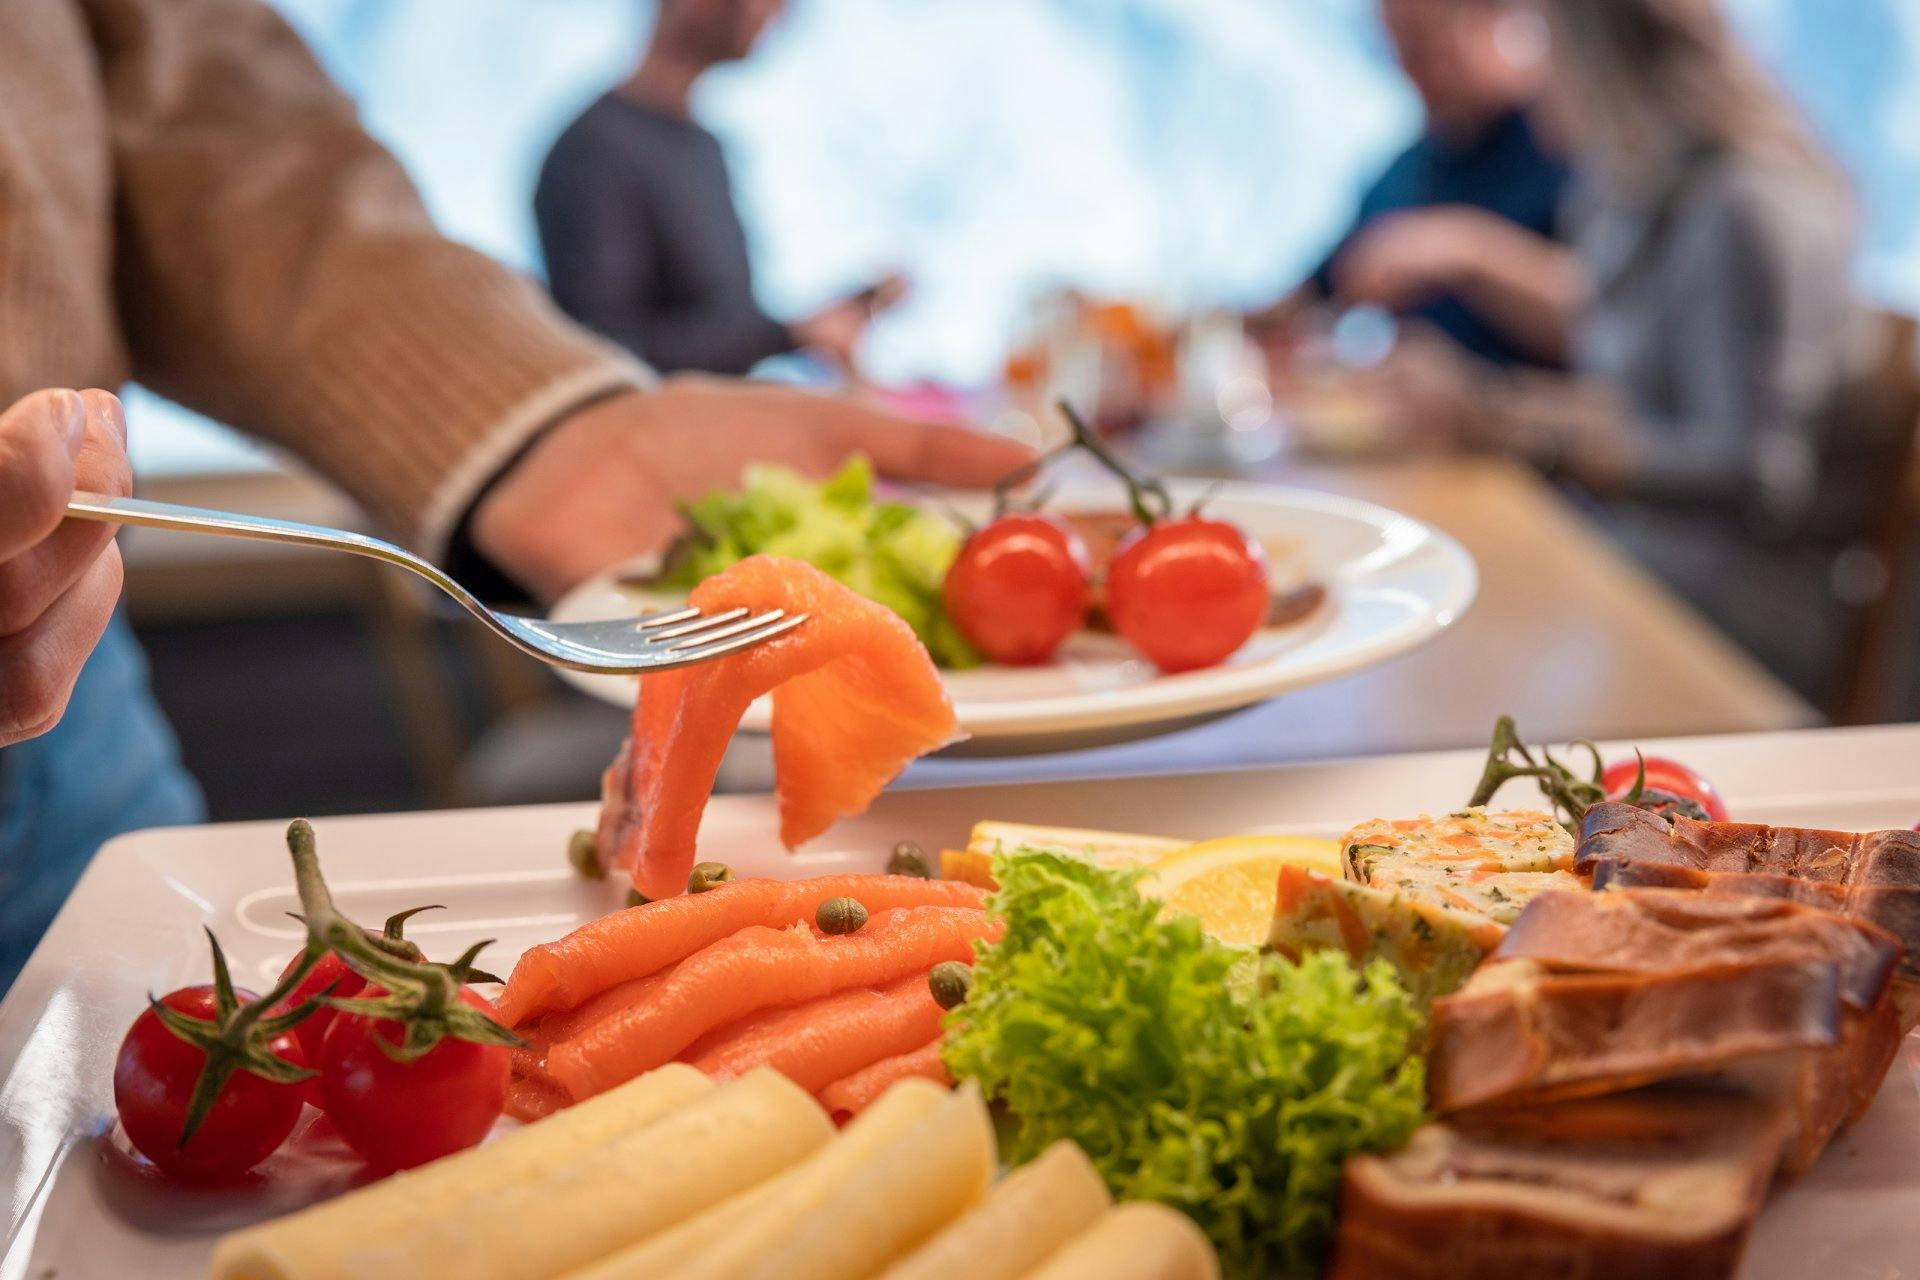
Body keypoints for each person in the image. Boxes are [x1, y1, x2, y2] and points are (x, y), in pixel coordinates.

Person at [0, 0, 1030, 993]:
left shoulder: (709, 147)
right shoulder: (593, 145)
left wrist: (550, 426)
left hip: (66, 688)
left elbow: (222, 135)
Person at [1362, 0, 1867, 696]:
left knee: (1450, 651)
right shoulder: (1644, 196)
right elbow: (1636, 404)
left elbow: (1755, 476)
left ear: (1598, 58)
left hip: (1729, 618)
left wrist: (1507, 423)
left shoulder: (1744, 205)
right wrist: (1482, 405)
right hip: (1645, 568)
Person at [534, 0, 901, 377]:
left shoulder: (706, 149)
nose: (776, 13)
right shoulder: (594, 148)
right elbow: (608, 351)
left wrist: (820, 323)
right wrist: (790, 333)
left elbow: (726, 318)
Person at [1252, 0, 1572, 369]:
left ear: (1498, 17)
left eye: (1426, 45)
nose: (1415, 73)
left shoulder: (1564, 142)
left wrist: (1467, 252)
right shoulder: (1412, 168)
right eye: (1401, 50)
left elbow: (1617, 321)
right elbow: (1320, 288)